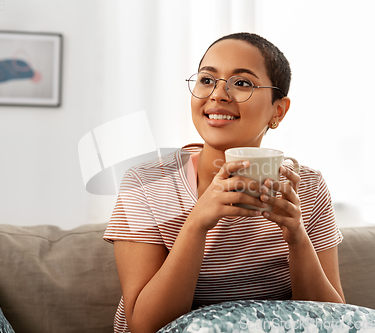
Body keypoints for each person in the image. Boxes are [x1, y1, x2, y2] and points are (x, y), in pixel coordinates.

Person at [104, 32, 345, 333]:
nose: (217, 95)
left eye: (242, 83)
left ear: (278, 110)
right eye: (207, 80)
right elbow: (145, 326)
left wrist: (297, 238)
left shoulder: (307, 186)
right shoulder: (147, 183)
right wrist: (197, 223)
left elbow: (333, 322)